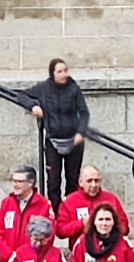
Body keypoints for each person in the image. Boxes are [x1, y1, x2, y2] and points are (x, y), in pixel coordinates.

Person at [18, 58, 89, 210]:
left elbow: (84, 113)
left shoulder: (74, 89)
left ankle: (70, 212)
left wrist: (80, 133)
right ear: (53, 73)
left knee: (72, 180)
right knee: (53, 181)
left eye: (65, 70)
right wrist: (33, 106)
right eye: (59, 71)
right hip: (53, 139)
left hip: (73, 140)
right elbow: (22, 95)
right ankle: (55, 214)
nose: (64, 74)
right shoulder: (44, 88)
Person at [0, 165, 54, 262]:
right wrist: (9, 255)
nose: (15, 185)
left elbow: (49, 236)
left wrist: (27, 255)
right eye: (13, 181)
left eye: (19, 181)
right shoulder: (6, 203)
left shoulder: (43, 205)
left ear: (30, 183)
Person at [66, 203, 134, 262]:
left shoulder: (124, 243)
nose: (104, 223)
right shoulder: (82, 242)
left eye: (108, 219)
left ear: (114, 222)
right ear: (94, 222)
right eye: (100, 219)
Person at [56, 165, 128, 242]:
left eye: (96, 181)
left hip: (109, 247)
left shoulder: (111, 199)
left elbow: (125, 227)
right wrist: (82, 223)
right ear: (81, 182)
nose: (93, 185)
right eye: (89, 181)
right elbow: (60, 231)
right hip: (81, 249)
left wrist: (107, 225)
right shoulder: (70, 201)